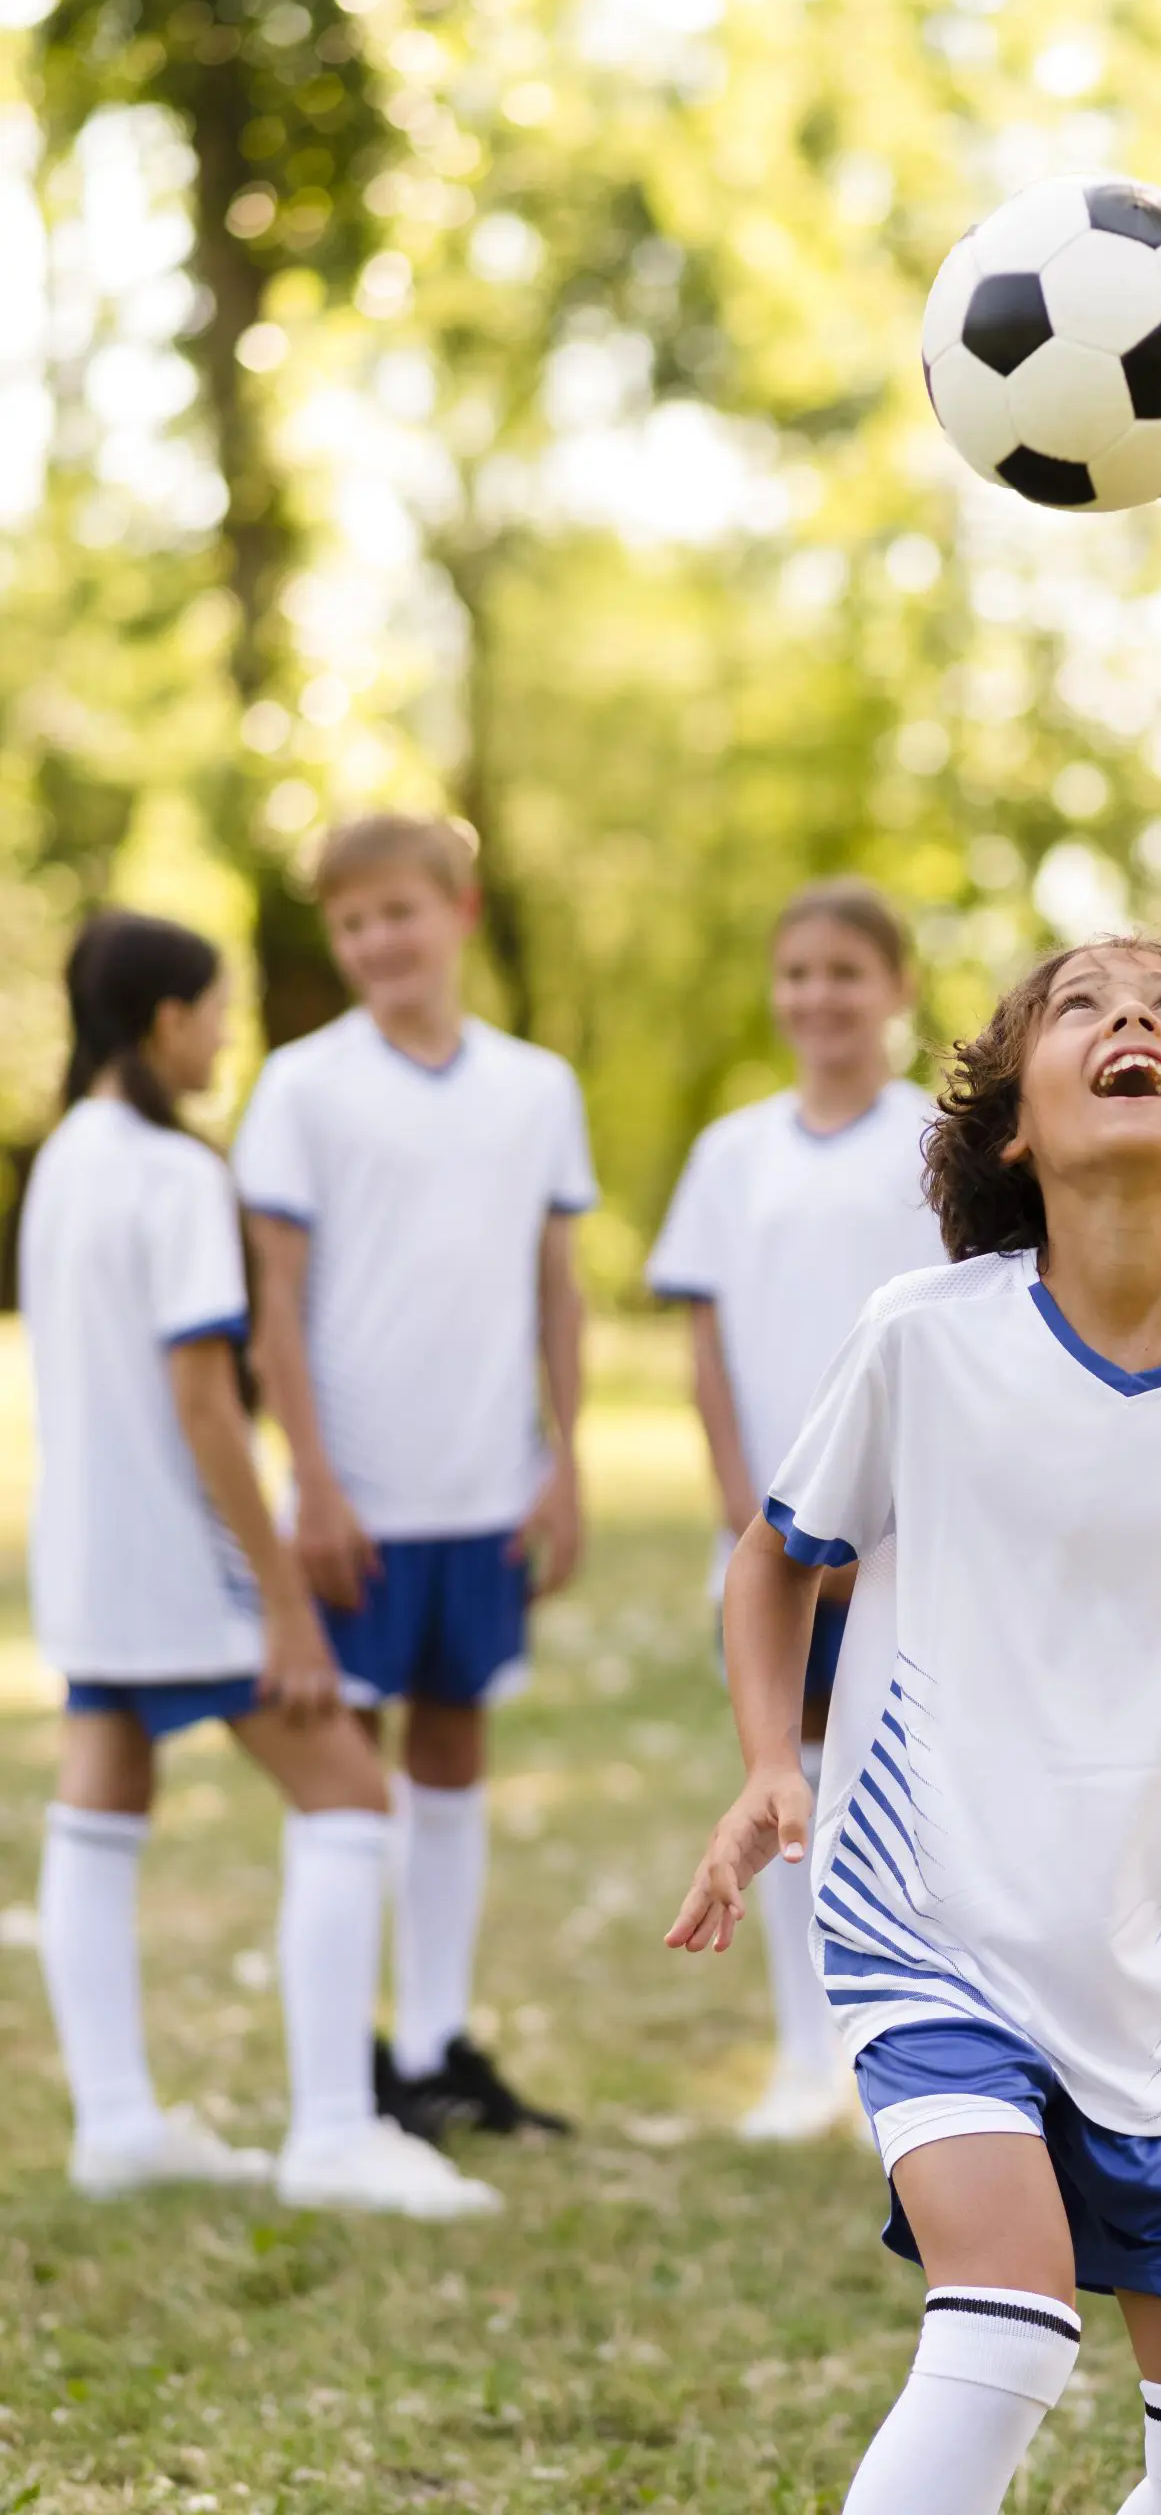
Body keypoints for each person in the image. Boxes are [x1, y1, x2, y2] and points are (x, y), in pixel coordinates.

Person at [668, 936, 1161, 2515]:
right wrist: (770, 1758)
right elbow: (774, 1562)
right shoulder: (924, 1333)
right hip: (926, 1926)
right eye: (1080, 1008)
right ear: (1014, 1123)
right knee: (1006, 2328)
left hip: (1159, 1980)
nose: (1130, 1021)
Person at [22, 910, 496, 2217]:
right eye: (216, 1010)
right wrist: (283, 1601)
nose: (225, 1034)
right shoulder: (174, 1175)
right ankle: (334, 2132)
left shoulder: (67, 1158)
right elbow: (204, 1404)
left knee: (99, 1807)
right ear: (166, 1018)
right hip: (183, 1567)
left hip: (87, 1563)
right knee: (350, 1799)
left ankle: (116, 2123)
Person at [234, 815, 597, 2143]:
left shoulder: (535, 1088)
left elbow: (557, 1291)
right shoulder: (301, 1085)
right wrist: (312, 1480)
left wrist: (564, 1461)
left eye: (399, 912)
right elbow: (273, 1297)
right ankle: (346, 2066)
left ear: (461, 909)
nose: (378, 941)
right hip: (359, 1502)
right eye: (351, 924)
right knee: (348, 1773)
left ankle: (437, 2046)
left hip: (487, 1489)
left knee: (454, 1747)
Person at [647, 879, 947, 2140]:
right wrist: (752, 1511)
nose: (817, 997)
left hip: (905, 1533)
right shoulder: (732, 1153)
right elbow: (706, 1341)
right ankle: (798, 2048)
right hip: (779, 1532)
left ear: (896, 990)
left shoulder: (937, 1141)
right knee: (784, 1784)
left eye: (845, 972)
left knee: (915, 1785)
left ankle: (915, 2054)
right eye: (796, 974)